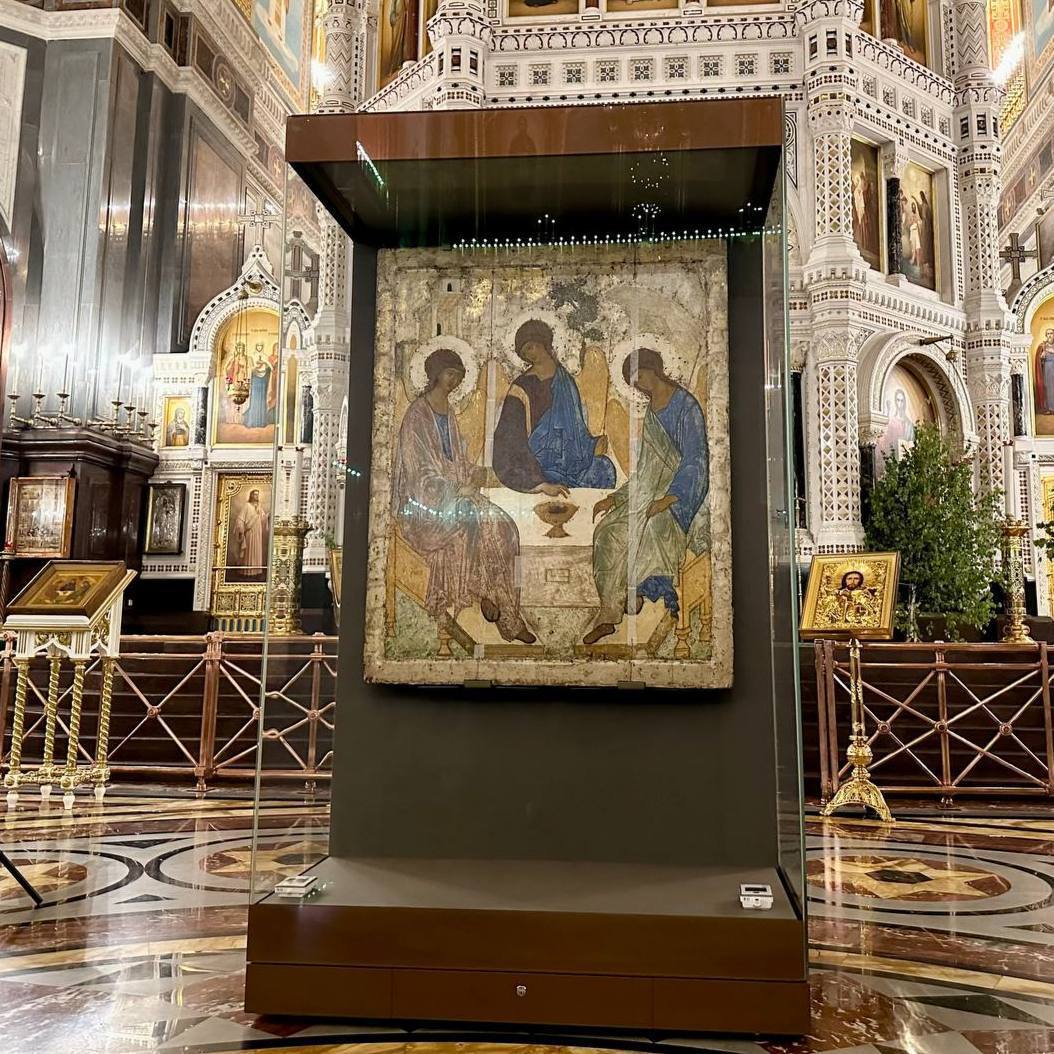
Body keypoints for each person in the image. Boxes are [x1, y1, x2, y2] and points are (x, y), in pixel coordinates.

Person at [393, 348, 536, 645]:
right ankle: (492, 601)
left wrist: (479, 474)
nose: (454, 381)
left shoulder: (448, 412)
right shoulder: (417, 415)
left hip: (457, 496)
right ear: (435, 374)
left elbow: (456, 461)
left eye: (458, 376)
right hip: (425, 509)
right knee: (475, 521)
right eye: (450, 374)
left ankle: (503, 607)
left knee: (506, 527)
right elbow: (418, 474)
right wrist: (456, 490)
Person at [584, 348, 709, 646]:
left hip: (682, 497)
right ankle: (609, 612)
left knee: (653, 528)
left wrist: (670, 498)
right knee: (607, 532)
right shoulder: (652, 412)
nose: (638, 384)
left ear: (654, 369)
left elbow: (697, 460)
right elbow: (645, 470)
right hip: (648, 493)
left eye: (639, 376)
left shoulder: (686, 406)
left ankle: (636, 591)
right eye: (633, 381)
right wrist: (616, 498)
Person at [493, 320, 615, 494]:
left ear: (543, 343)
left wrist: (592, 445)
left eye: (531, 347)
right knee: (553, 476)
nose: (530, 354)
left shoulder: (565, 380)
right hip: (538, 461)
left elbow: (577, 427)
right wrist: (538, 483)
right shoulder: (521, 387)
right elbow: (509, 437)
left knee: (604, 468)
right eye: (525, 352)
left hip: (570, 458)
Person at [233, 489, 268, 581]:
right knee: (249, 550)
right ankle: (247, 572)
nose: (257, 496)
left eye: (258, 495)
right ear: (251, 495)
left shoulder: (259, 507)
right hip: (250, 532)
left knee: (257, 549)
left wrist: (267, 517)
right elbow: (240, 519)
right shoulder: (247, 506)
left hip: (258, 532)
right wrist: (241, 528)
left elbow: (263, 519)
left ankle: (256, 572)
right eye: (255, 494)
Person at [243, 345, 274, 429]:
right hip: (255, 380)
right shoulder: (253, 355)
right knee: (254, 400)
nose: (259, 348)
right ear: (256, 347)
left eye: (261, 346)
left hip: (263, 381)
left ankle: (261, 422)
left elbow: (270, 368)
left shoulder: (265, 356)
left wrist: (264, 364)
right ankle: (252, 422)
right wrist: (255, 368)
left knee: (262, 400)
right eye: (258, 346)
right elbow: (250, 367)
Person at [1035, 328, 1054, 416]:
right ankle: (1050, 408)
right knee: (1049, 387)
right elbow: (1039, 359)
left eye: (1051, 333)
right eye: (1048, 333)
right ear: (1046, 335)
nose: (1049, 335)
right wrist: (1041, 357)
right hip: (1047, 368)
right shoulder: (1043, 346)